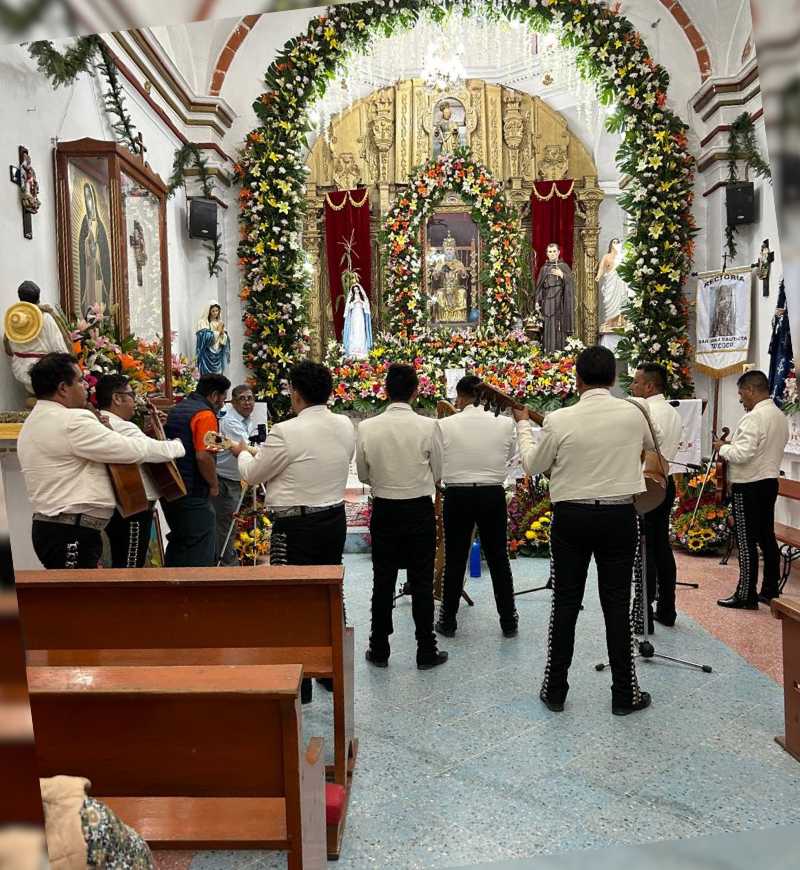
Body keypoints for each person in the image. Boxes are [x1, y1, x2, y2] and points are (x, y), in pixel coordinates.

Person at [514, 346, 653, 715]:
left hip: (571, 518)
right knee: (617, 605)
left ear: (577, 379)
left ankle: (555, 689)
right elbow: (654, 447)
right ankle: (625, 694)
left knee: (565, 603)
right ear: (613, 379)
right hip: (619, 516)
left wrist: (524, 426)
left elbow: (532, 464)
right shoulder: (633, 412)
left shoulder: (559, 419)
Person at [229, 360, 354, 703]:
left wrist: (241, 453)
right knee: (330, 593)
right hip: (332, 517)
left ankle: (303, 679)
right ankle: (330, 670)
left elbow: (253, 474)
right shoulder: (344, 425)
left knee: (294, 598)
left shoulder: (286, 430)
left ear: (296, 394)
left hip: (295, 524)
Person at [17, 354, 184, 570]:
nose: (86, 386)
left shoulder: (34, 422)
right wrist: (175, 447)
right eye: (79, 380)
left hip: (58, 528)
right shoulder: (71, 421)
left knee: (77, 600)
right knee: (81, 601)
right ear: (62, 388)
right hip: (71, 531)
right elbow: (129, 448)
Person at [356, 363, 448, 671]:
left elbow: (362, 473)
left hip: (385, 508)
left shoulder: (368, 427)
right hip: (418, 509)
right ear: (415, 391)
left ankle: (379, 648)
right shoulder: (428, 425)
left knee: (383, 581)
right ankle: (425, 650)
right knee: (421, 582)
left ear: (385, 390)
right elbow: (439, 471)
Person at [433, 374, 519, 638]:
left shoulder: (445, 425)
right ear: (484, 396)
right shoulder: (505, 424)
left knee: (455, 559)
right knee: (498, 558)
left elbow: (437, 462)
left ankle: (448, 621)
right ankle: (508, 620)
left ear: (460, 397)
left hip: (457, 495)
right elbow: (508, 456)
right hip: (492, 494)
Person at [715, 370, 790, 608]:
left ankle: (745, 594)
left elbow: (742, 454)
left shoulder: (753, 417)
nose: (740, 399)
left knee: (746, 541)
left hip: (748, 485)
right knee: (766, 537)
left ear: (750, 390)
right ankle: (769, 590)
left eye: (741, 393)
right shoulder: (778, 415)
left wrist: (722, 448)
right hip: (769, 482)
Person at [629, 363, 683, 630]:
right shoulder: (672, 412)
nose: (632, 386)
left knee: (645, 549)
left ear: (650, 386)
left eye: (637, 382)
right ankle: (666, 609)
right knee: (661, 546)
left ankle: (643, 612)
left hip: (647, 483)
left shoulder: (646, 410)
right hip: (666, 480)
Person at [95, 373, 163, 569]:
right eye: (132, 395)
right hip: (132, 505)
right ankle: (127, 599)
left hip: (121, 505)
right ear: (117, 398)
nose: (136, 401)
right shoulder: (123, 426)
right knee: (130, 565)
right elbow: (154, 452)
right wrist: (176, 445)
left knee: (122, 560)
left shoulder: (106, 423)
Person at [162, 373, 230, 568]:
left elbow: (196, 439)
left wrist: (231, 445)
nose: (222, 405)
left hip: (173, 488)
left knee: (179, 542)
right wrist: (214, 485)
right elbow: (203, 455)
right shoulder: (205, 414)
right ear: (215, 395)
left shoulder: (179, 409)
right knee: (200, 548)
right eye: (223, 399)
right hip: (193, 491)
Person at [214, 384, 258, 565]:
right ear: (233, 401)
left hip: (234, 478)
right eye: (242, 398)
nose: (247, 402)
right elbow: (242, 450)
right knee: (226, 527)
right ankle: (227, 570)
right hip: (224, 480)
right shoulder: (230, 421)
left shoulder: (245, 419)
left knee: (228, 526)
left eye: (250, 398)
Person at [3, 281, 70, 395]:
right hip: (44, 371)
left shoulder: (14, 318)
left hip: (20, 369)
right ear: (38, 297)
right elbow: (59, 347)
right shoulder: (45, 317)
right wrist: (69, 366)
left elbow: (9, 347)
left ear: (20, 298)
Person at [535, 242, 574, 353]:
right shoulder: (544, 268)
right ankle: (548, 351)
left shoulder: (564, 266)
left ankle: (559, 352)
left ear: (558, 253)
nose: (552, 254)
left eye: (554, 251)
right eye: (550, 252)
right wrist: (537, 302)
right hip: (547, 302)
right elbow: (539, 287)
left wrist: (562, 275)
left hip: (559, 302)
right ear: (547, 254)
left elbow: (571, 284)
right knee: (548, 326)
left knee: (558, 325)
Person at [195, 301, 230, 375]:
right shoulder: (203, 322)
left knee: (218, 376)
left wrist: (223, 333)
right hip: (207, 354)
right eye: (213, 311)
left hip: (218, 353)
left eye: (217, 311)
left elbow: (224, 341)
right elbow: (203, 337)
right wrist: (217, 332)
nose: (215, 313)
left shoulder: (220, 322)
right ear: (209, 311)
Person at [342, 283, 373, 359]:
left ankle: (362, 349)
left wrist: (361, 302)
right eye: (355, 289)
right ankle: (353, 349)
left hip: (360, 316)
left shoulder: (362, 298)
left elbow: (366, 307)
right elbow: (348, 308)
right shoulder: (351, 299)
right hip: (354, 316)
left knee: (361, 330)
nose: (356, 290)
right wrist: (354, 302)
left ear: (359, 290)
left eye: (357, 289)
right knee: (354, 331)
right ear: (353, 291)